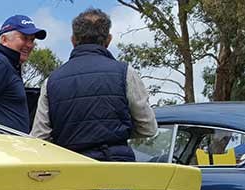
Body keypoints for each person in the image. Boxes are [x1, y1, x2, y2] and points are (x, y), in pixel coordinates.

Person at [30, 8, 157, 161]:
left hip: (69, 167)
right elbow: (148, 128)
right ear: (108, 39)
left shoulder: (51, 81)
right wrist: (117, 130)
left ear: (73, 40)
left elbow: (39, 136)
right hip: (116, 167)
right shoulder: (125, 73)